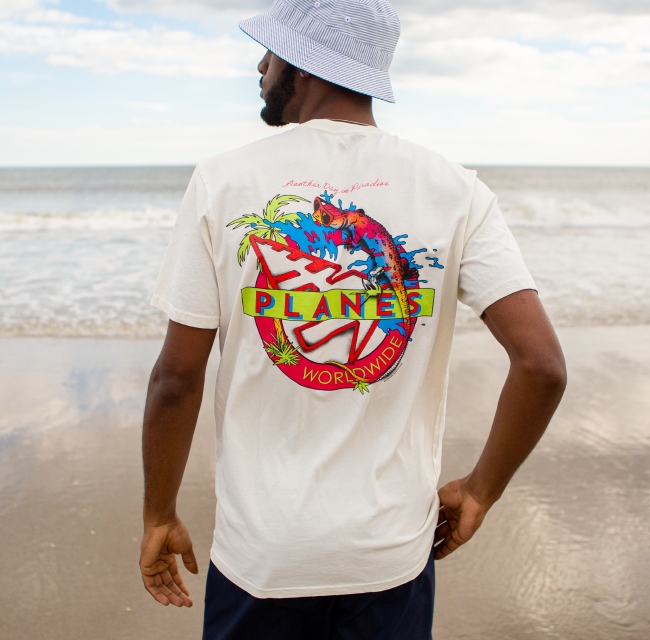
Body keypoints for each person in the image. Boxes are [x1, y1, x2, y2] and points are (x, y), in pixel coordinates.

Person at [140, 0, 567, 636]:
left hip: (263, 556)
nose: (260, 65)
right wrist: (481, 491)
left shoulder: (223, 182)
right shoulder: (454, 189)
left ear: (305, 65)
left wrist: (158, 514)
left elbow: (177, 379)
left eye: (273, 50)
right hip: (390, 556)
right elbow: (542, 367)